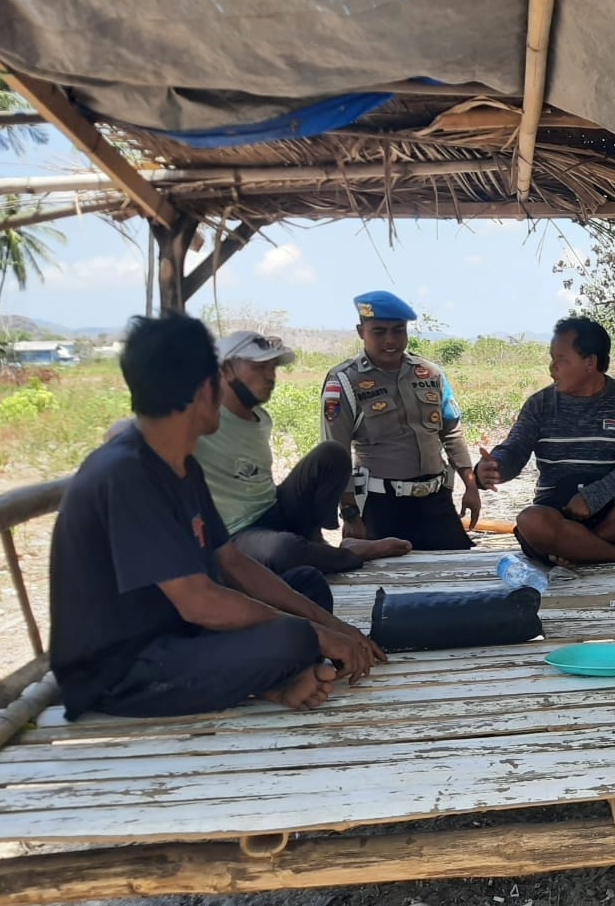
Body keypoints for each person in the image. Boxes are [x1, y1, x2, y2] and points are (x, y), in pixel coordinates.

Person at [49, 315, 384, 721]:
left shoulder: (180, 465)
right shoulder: (128, 473)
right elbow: (200, 603)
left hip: (177, 634)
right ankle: (277, 679)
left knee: (306, 587)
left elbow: (232, 562)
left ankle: (277, 681)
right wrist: (318, 635)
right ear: (206, 388)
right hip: (123, 670)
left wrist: (332, 626)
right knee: (293, 635)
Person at [187, 330, 411, 574]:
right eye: (259, 367)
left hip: (273, 509)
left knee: (331, 453)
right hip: (238, 531)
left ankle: (316, 541)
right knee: (283, 550)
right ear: (226, 369)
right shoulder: (200, 418)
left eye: (272, 368)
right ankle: (345, 554)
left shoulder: (259, 417)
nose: (270, 376)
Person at [475, 316, 615, 564]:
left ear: (590, 362)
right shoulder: (540, 403)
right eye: (552, 359)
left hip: (614, 510)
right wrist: (494, 468)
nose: (552, 368)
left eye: (561, 360)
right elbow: (514, 449)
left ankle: (575, 549)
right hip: (557, 512)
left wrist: (593, 497)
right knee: (531, 520)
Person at [321, 291, 479, 550]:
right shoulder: (344, 381)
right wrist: (349, 514)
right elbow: (334, 452)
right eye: (379, 332)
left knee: (454, 577)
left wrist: (470, 485)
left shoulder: (429, 373)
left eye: (398, 330)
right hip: (381, 506)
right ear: (361, 332)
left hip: (436, 502)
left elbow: (451, 432)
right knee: (389, 585)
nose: (391, 340)